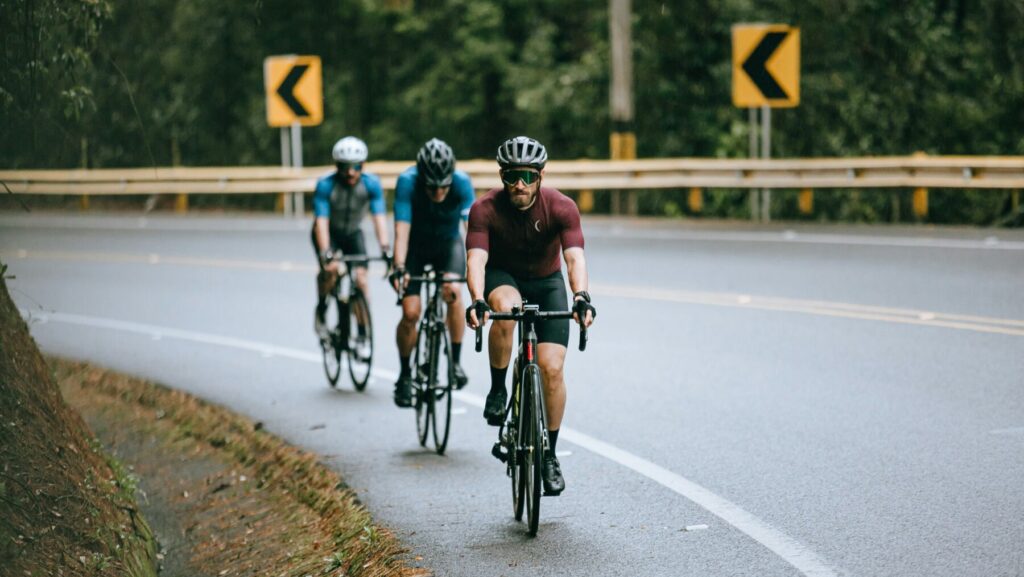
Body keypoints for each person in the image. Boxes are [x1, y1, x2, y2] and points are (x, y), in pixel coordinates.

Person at [464, 135, 596, 496]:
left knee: (552, 369)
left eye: (526, 175)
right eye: (510, 176)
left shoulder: (562, 206)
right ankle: (496, 389)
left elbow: (574, 257)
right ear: (501, 176)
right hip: (503, 278)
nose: (518, 184)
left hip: (547, 281)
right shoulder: (485, 209)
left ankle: (549, 456)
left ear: (540, 175)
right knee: (507, 309)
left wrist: (581, 295)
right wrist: (477, 299)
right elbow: (476, 259)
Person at [390, 138, 475, 408]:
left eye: (443, 186)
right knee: (410, 312)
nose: (438, 192)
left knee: (452, 290)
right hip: (416, 246)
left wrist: (479, 267)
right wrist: (399, 267)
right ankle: (404, 375)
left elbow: (471, 232)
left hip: (448, 245)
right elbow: (401, 231)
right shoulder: (407, 182)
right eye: (432, 186)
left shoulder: (462, 182)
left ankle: (455, 363)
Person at [312, 136, 390, 347]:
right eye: (345, 167)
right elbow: (321, 221)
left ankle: (363, 329)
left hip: (354, 233)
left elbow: (379, 218)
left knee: (361, 279)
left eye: (356, 166)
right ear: (337, 166)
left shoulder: (372, 184)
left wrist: (385, 247)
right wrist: (326, 251)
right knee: (331, 269)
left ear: (362, 165)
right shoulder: (325, 185)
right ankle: (321, 307)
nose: (351, 172)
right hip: (330, 233)